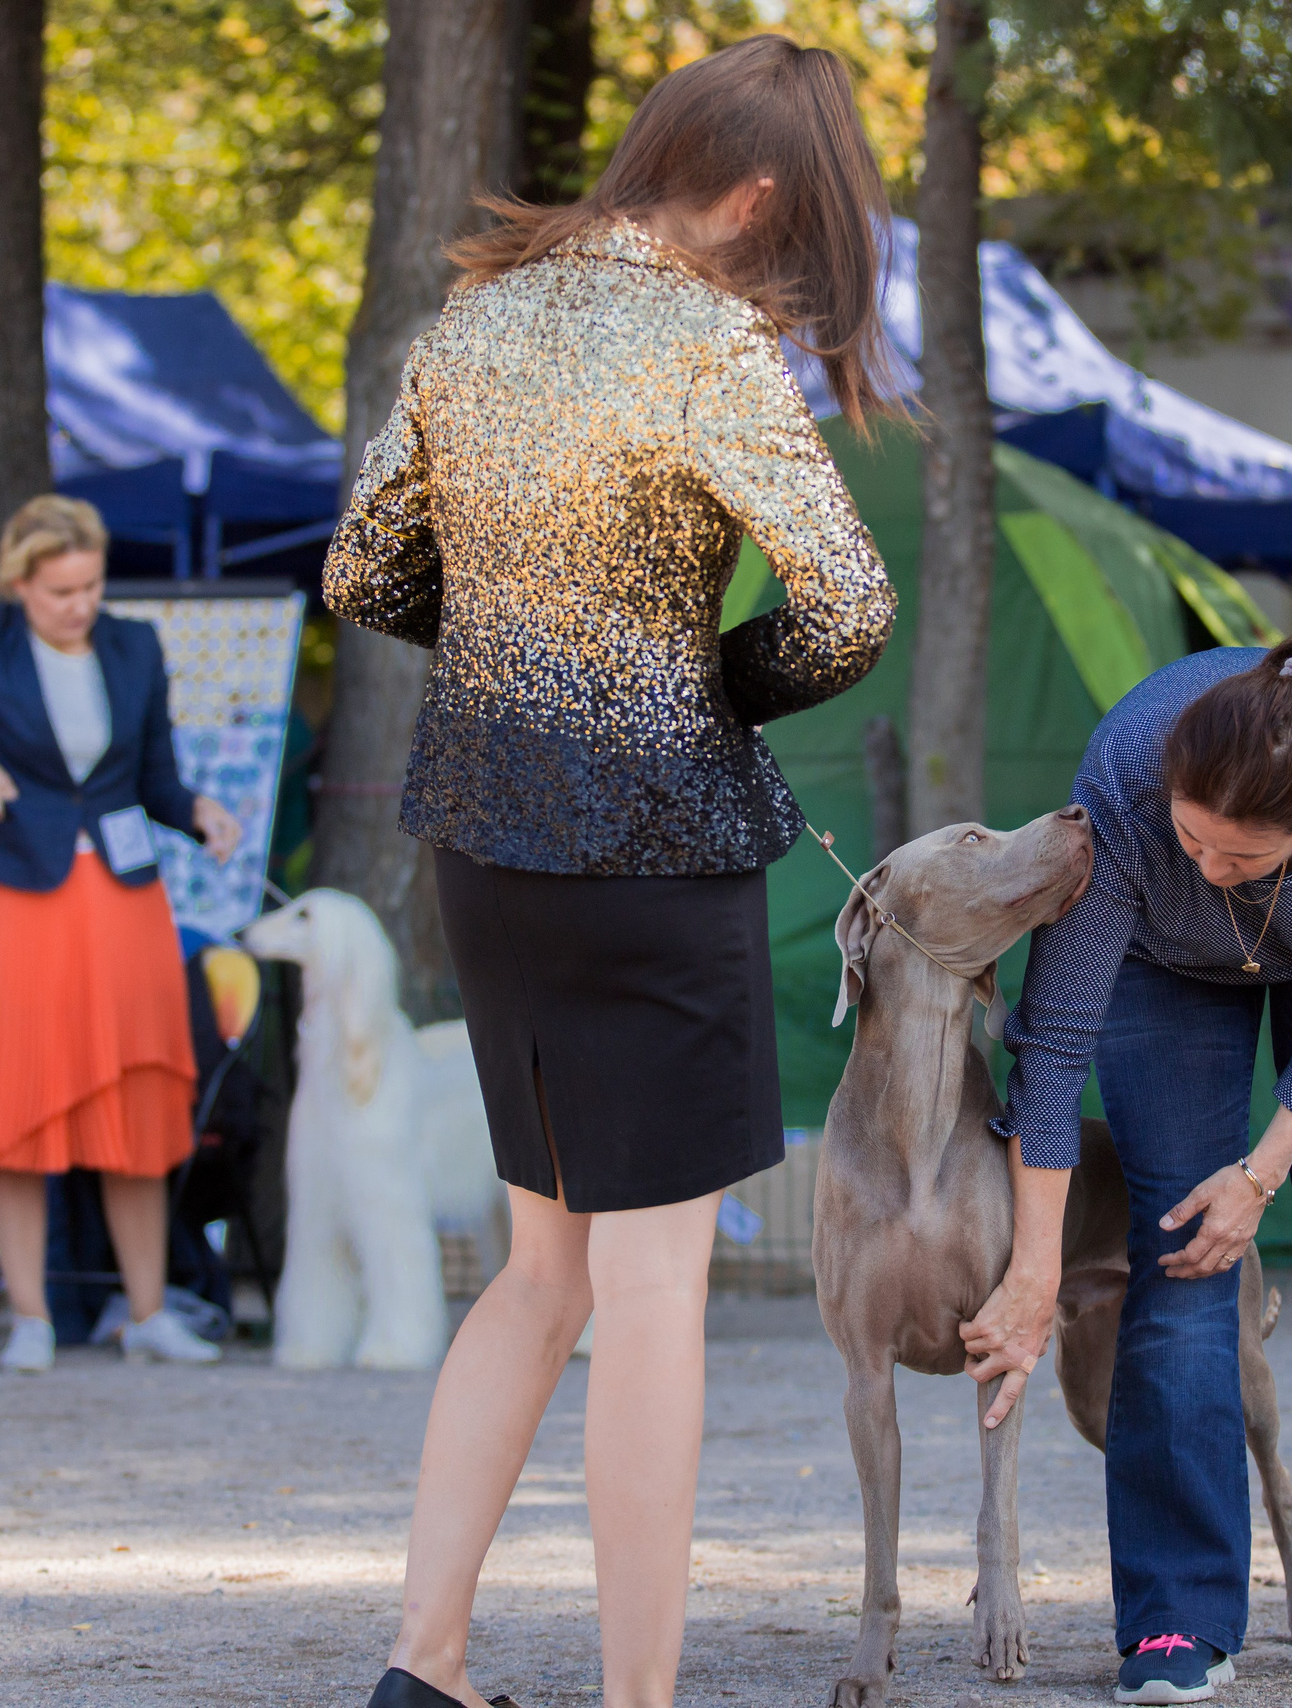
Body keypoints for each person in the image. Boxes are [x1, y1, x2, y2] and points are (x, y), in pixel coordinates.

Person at [320, 38, 898, 1708]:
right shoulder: (713, 346)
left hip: (486, 840)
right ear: (762, 197)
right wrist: (701, 687)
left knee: (544, 1267)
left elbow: (364, 566)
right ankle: (636, 1699)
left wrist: (523, 652)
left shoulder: (480, 314)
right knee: (653, 1284)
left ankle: (424, 1661)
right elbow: (848, 605)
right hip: (655, 845)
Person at [987, 636, 1292, 1700]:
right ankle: (1175, 1614)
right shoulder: (1123, 782)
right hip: (1166, 975)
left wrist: (1258, 1175)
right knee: (1178, 1250)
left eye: (1242, 858)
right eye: (1191, 839)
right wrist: (1033, 1275)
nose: (1208, 867)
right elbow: (1056, 1040)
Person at [0, 495, 244, 1373]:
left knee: (136, 1104)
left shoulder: (135, 644)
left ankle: (147, 1315)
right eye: (61, 589)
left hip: (124, 897)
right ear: (19, 583)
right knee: (19, 1101)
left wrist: (199, 813)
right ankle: (31, 1316)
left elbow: (155, 780)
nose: (80, 604)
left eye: (91, 585)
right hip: (15, 895)